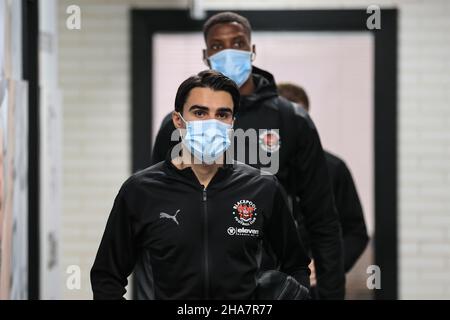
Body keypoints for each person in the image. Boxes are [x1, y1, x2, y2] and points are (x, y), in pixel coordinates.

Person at [151, 12, 345, 299]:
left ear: (252, 50)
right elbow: (153, 212)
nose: (228, 52)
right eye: (217, 46)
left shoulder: (292, 120)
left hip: (270, 283)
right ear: (206, 55)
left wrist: (329, 294)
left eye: (238, 43)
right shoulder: (176, 125)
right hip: (192, 287)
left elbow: (323, 218)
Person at [91, 70, 311, 300]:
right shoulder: (140, 191)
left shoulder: (263, 188)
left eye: (222, 114)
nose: (211, 123)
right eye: (200, 112)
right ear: (178, 120)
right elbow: (107, 276)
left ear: (232, 123)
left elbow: (296, 265)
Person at [277, 82, 369, 291]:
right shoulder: (252, 168)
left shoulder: (334, 168)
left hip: (316, 288)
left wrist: (326, 265)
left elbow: (356, 232)